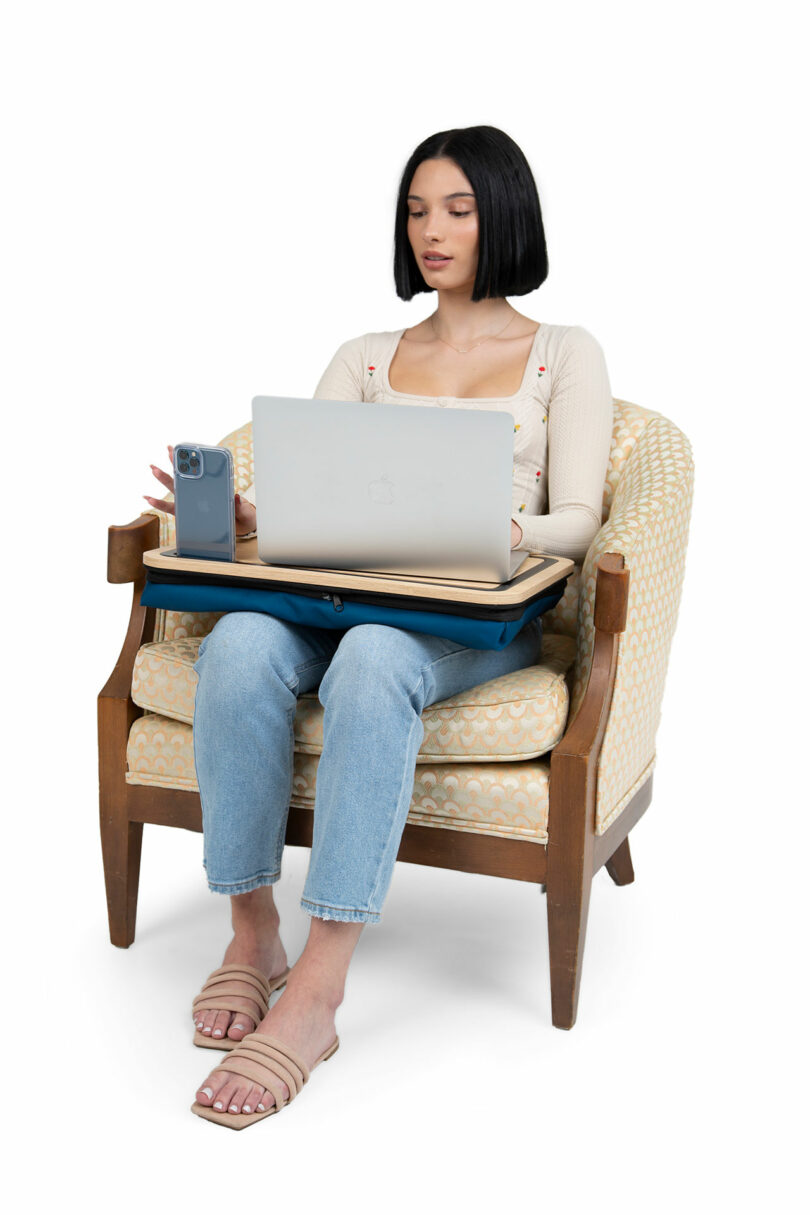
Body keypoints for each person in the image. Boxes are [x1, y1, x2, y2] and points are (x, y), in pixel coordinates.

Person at [143, 125, 614, 1129]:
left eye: (458, 209)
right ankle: (251, 934)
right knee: (238, 645)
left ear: (504, 216)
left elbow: (579, 518)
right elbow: (308, 495)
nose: (432, 231)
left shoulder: (563, 355)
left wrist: (500, 527)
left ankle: (319, 987)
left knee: (371, 660)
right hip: (331, 591)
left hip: (468, 614)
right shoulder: (362, 357)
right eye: (416, 211)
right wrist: (252, 516)